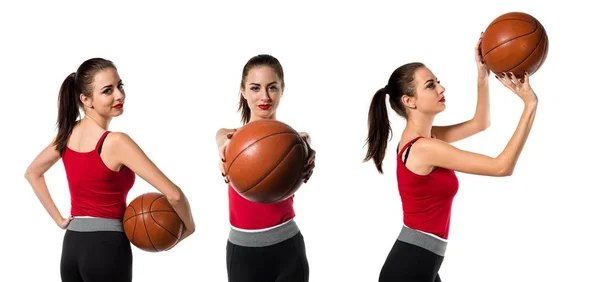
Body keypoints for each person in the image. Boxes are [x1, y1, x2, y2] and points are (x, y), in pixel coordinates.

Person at [364, 36, 539, 282]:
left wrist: (482, 75)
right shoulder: (424, 147)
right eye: (430, 86)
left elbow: (481, 123)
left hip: (422, 263)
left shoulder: (426, 138)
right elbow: (502, 166)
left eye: (438, 82)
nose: (441, 88)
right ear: (409, 101)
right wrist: (530, 105)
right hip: (410, 266)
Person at [24, 58, 196, 282]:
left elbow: (32, 172)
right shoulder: (116, 142)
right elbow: (174, 194)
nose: (119, 95)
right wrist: (189, 227)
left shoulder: (67, 135)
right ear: (86, 100)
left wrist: (60, 219)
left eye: (120, 86)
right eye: (107, 91)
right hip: (106, 249)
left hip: (72, 247)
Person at [216, 54, 315, 282]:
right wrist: (224, 144)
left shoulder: (294, 143)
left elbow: (304, 138)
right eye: (255, 88)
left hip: (288, 249)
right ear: (243, 90)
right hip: (242, 252)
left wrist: (307, 146)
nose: (264, 97)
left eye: (272, 87)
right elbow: (221, 135)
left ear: (282, 90)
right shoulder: (232, 140)